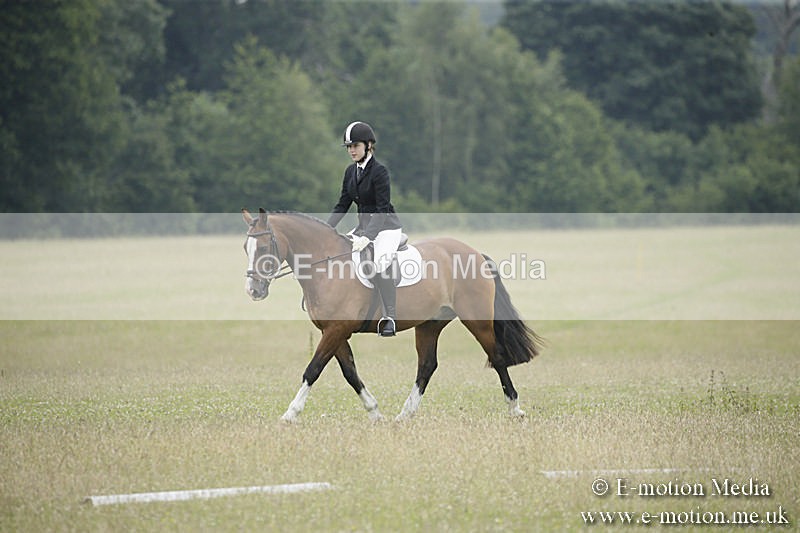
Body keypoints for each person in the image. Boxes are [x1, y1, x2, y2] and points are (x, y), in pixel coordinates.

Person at [327, 121, 402, 336]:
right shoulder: (351, 172)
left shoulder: (380, 172)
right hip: (363, 229)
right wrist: (324, 230)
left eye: (355, 146)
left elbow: (382, 208)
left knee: (379, 263)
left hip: (386, 228)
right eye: (349, 147)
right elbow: (342, 205)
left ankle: (390, 317)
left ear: (369, 145)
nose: (351, 150)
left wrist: (368, 237)